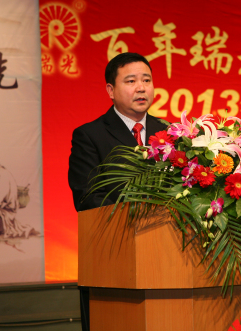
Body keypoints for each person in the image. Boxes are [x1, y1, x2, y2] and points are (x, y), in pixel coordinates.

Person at [68, 52, 167, 330]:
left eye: (146, 80)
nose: (141, 88)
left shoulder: (170, 133)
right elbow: (87, 197)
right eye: (131, 81)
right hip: (113, 259)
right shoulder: (90, 135)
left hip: (165, 259)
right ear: (111, 90)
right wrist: (139, 219)